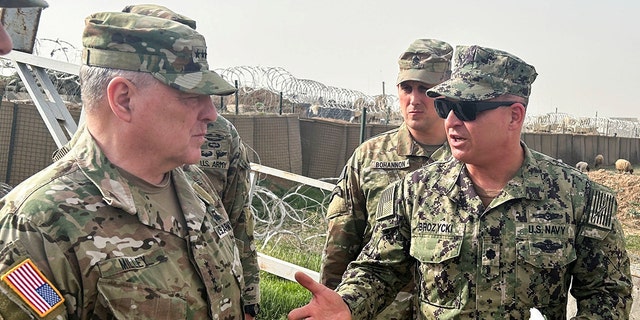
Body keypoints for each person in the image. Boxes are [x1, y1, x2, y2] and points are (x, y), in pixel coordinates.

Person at [289, 45, 633, 319]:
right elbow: (380, 270)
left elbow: (607, 293)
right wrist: (347, 304)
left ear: (515, 115)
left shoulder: (577, 196)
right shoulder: (415, 192)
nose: (452, 121)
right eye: (446, 107)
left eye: (467, 109)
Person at [0, 8, 249, 319]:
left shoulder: (197, 188)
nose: (211, 114)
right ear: (124, 99)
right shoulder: (37, 227)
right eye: (191, 96)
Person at [319, 38, 452, 319]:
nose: (414, 99)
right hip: (380, 310)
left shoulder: (469, 159)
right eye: (407, 88)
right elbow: (341, 243)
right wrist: (331, 302)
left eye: (426, 90)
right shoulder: (369, 157)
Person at [199, 115, 260, 318]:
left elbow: (239, 220)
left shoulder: (221, 132)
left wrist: (249, 301)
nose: (208, 109)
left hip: (215, 296)